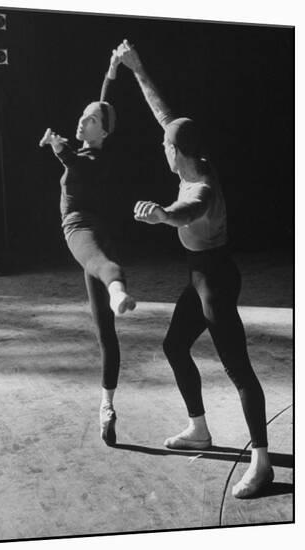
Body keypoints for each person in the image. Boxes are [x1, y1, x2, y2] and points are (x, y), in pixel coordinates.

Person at [116, 39, 273, 498]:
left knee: (239, 370)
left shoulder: (200, 186)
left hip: (216, 281)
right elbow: (163, 113)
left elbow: (187, 212)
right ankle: (199, 430)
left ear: (175, 152)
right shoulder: (192, 160)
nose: (160, 145)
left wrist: (163, 215)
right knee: (174, 345)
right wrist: (136, 66)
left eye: (164, 145)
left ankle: (261, 463)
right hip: (201, 275)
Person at [39, 50, 136, 446]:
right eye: (82, 116)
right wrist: (110, 73)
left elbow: (77, 165)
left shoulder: (95, 156)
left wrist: (56, 147)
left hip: (80, 229)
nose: (82, 121)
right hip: (99, 235)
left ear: (104, 132)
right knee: (105, 334)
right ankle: (107, 405)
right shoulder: (90, 141)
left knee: (101, 265)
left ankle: (117, 289)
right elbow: (99, 103)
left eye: (91, 120)